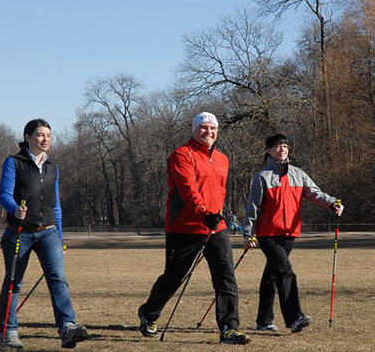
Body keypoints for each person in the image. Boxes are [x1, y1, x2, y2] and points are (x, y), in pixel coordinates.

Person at [138, 112, 250, 345]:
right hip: (184, 227)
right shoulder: (181, 155)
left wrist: (217, 215)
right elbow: (187, 189)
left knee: (226, 277)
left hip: (216, 227)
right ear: (194, 130)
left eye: (213, 128)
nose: (208, 132)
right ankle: (149, 313)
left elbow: (218, 192)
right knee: (174, 277)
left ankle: (229, 328)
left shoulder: (222, 159)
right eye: (204, 128)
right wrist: (203, 212)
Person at [0, 119, 88, 349]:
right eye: (40, 135)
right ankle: (9, 333)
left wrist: (59, 235)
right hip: (19, 233)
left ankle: (68, 327)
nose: (45, 139)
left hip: (48, 232)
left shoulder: (52, 166)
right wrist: (15, 209)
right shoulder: (14, 162)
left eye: (48, 135)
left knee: (58, 280)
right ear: (28, 137)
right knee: (14, 283)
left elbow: (56, 205)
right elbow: (4, 195)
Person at [242, 134, 344, 333]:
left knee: (272, 275)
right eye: (278, 147)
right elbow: (252, 208)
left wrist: (332, 203)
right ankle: (295, 317)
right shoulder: (261, 177)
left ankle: (263, 321)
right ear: (268, 151)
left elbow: (315, 193)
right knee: (285, 271)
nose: (282, 150)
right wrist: (248, 233)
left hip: (290, 234)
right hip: (267, 234)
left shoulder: (299, 174)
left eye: (285, 146)